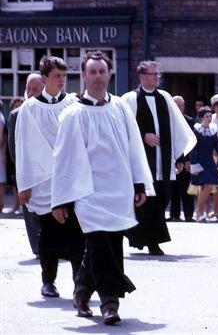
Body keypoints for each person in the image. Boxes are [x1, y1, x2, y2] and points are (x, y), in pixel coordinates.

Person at [50, 51, 155, 325]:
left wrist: (139, 183)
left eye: (102, 71)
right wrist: (60, 200)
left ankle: (82, 290)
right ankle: (110, 302)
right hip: (88, 193)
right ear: (84, 76)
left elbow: (134, 146)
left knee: (110, 243)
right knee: (98, 243)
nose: (97, 76)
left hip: (118, 189)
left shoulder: (120, 108)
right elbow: (63, 159)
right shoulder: (73, 114)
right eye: (92, 72)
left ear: (109, 74)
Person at [15, 57, 84, 298]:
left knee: (76, 232)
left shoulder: (74, 104)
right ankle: (48, 281)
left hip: (72, 178)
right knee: (49, 234)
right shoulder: (29, 108)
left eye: (64, 76)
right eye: (57, 76)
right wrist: (24, 184)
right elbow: (24, 148)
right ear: (44, 78)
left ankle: (79, 283)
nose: (62, 80)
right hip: (44, 182)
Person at [122, 61, 196, 255]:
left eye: (158, 74)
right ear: (141, 76)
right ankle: (153, 243)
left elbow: (177, 127)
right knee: (147, 200)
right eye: (153, 74)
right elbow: (123, 128)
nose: (157, 77)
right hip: (143, 160)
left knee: (162, 198)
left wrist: (180, 156)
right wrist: (144, 135)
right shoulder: (130, 99)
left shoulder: (165, 97)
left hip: (163, 160)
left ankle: (141, 237)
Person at [7, 75, 43, 255]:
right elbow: (13, 148)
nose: (29, 93)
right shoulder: (16, 114)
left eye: (34, 89)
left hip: (49, 172)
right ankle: (37, 248)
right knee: (30, 211)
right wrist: (23, 172)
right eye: (28, 88)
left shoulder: (50, 110)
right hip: (27, 171)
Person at [191, 106, 218, 222]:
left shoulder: (213, 131)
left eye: (210, 116)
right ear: (201, 118)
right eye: (206, 116)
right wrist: (193, 163)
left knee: (205, 187)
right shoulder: (197, 131)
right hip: (200, 162)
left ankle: (199, 213)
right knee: (207, 187)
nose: (209, 118)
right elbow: (193, 149)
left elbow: (217, 146)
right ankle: (199, 212)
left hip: (210, 162)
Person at [169, 96, 195, 222]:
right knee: (173, 188)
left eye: (181, 105)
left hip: (185, 158)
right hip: (171, 158)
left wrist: (188, 160)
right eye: (177, 105)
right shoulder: (167, 120)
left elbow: (191, 142)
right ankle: (174, 214)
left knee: (186, 188)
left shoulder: (189, 121)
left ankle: (189, 214)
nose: (180, 107)